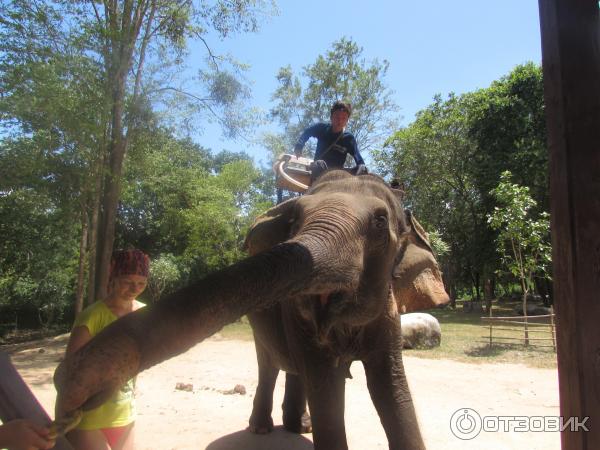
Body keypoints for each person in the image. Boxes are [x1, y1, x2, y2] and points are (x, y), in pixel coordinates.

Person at [64, 249, 150, 450]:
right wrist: (64, 417)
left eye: (141, 283)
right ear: (114, 278)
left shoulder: (145, 314)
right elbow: (71, 369)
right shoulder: (92, 317)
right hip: (89, 418)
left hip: (124, 413)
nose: (134, 289)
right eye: (127, 282)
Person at [293, 101, 367, 180]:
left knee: (361, 169)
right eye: (337, 117)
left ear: (347, 120)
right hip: (319, 170)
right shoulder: (322, 128)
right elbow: (307, 132)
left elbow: (357, 155)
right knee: (319, 164)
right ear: (331, 117)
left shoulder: (349, 138)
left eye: (344, 118)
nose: (340, 121)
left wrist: (361, 166)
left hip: (336, 175)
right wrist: (299, 146)